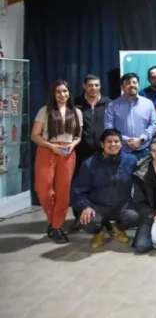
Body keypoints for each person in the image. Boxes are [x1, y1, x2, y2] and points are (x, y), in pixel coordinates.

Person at [31, 80, 83, 243]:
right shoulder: (45, 110)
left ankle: (56, 227)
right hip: (47, 150)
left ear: (69, 93)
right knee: (43, 191)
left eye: (65, 91)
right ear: (53, 94)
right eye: (58, 92)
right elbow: (34, 136)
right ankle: (53, 221)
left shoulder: (76, 112)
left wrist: (72, 145)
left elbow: (78, 136)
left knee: (63, 192)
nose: (62, 94)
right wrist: (51, 146)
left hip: (67, 153)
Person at [71, 129, 140, 248]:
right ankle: (99, 231)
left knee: (135, 216)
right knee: (87, 221)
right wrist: (85, 207)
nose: (113, 144)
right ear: (102, 144)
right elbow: (78, 190)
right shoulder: (89, 164)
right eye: (109, 141)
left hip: (122, 206)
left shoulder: (131, 161)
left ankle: (118, 228)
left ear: (121, 144)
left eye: (116, 141)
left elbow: (142, 182)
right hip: (98, 206)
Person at [72, 74, 111, 231]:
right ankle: (78, 217)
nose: (94, 88)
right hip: (81, 152)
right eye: (90, 85)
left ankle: (105, 219)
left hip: (103, 153)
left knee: (103, 186)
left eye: (96, 85)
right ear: (84, 86)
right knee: (79, 186)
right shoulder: (76, 103)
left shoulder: (108, 103)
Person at [104, 73, 156, 160]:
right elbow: (109, 128)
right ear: (122, 87)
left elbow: (154, 125)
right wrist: (127, 140)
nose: (132, 85)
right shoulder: (113, 105)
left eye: (134, 82)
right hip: (122, 152)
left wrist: (141, 139)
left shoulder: (148, 103)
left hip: (145, 151)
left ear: (138, 85)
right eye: (128, 83)